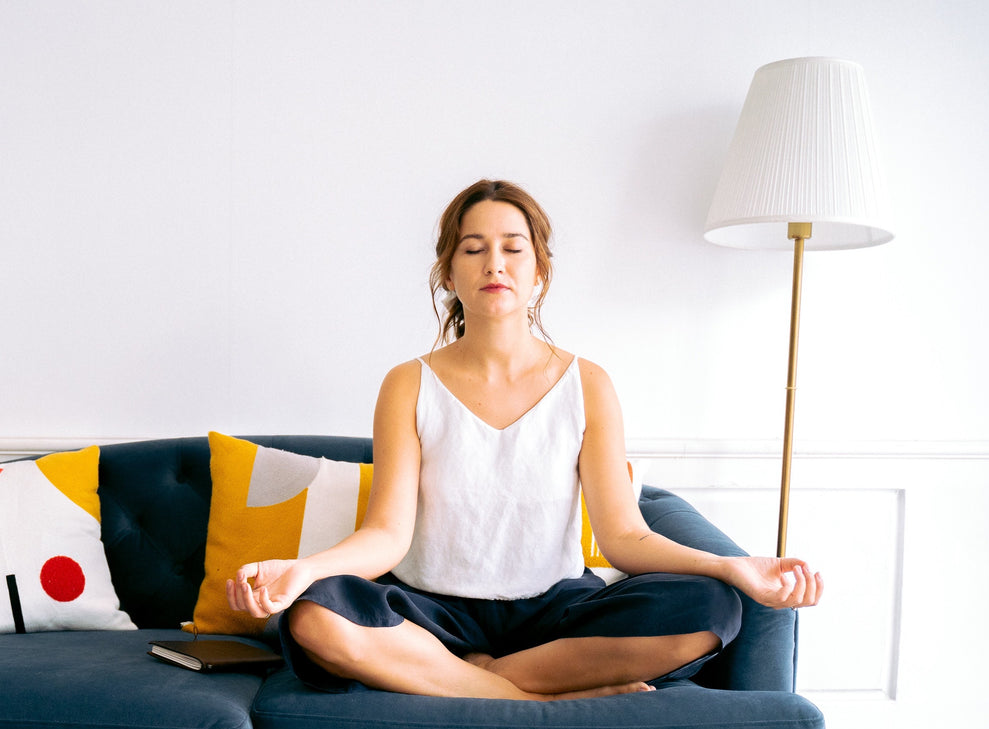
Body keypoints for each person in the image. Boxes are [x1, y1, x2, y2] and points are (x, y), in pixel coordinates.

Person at [227, 179, 822, 701]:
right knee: (313, 619)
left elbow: (625, 537)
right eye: (474, 249)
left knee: (711, 609)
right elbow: (387, 535)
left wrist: (733, 566)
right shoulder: (407, 383)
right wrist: (303, 572)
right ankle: (529, 699)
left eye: (514, 249)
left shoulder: (588, 384)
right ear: (448, 272)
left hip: (554, 611)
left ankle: (463, 678)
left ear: (540, 273)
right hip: (434, 611)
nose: (495, 265)